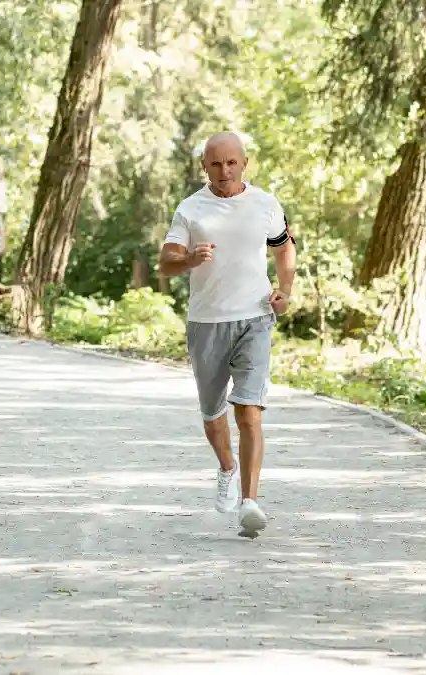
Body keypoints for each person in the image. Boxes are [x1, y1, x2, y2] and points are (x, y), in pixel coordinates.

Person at [157, 131, 296, 536]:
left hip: (255, 317)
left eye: (232, 163)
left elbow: (284, 248)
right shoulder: (190, 209)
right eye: (216, 164)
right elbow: (166, 263)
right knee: (212, 415)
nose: (225, 171)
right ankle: (227, 468)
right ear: (204, 167)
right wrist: (188, 260)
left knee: (249, 412)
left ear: (245, 163)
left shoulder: (266, 204)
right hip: (207, 323)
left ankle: (249, 502)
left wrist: (284, 289)